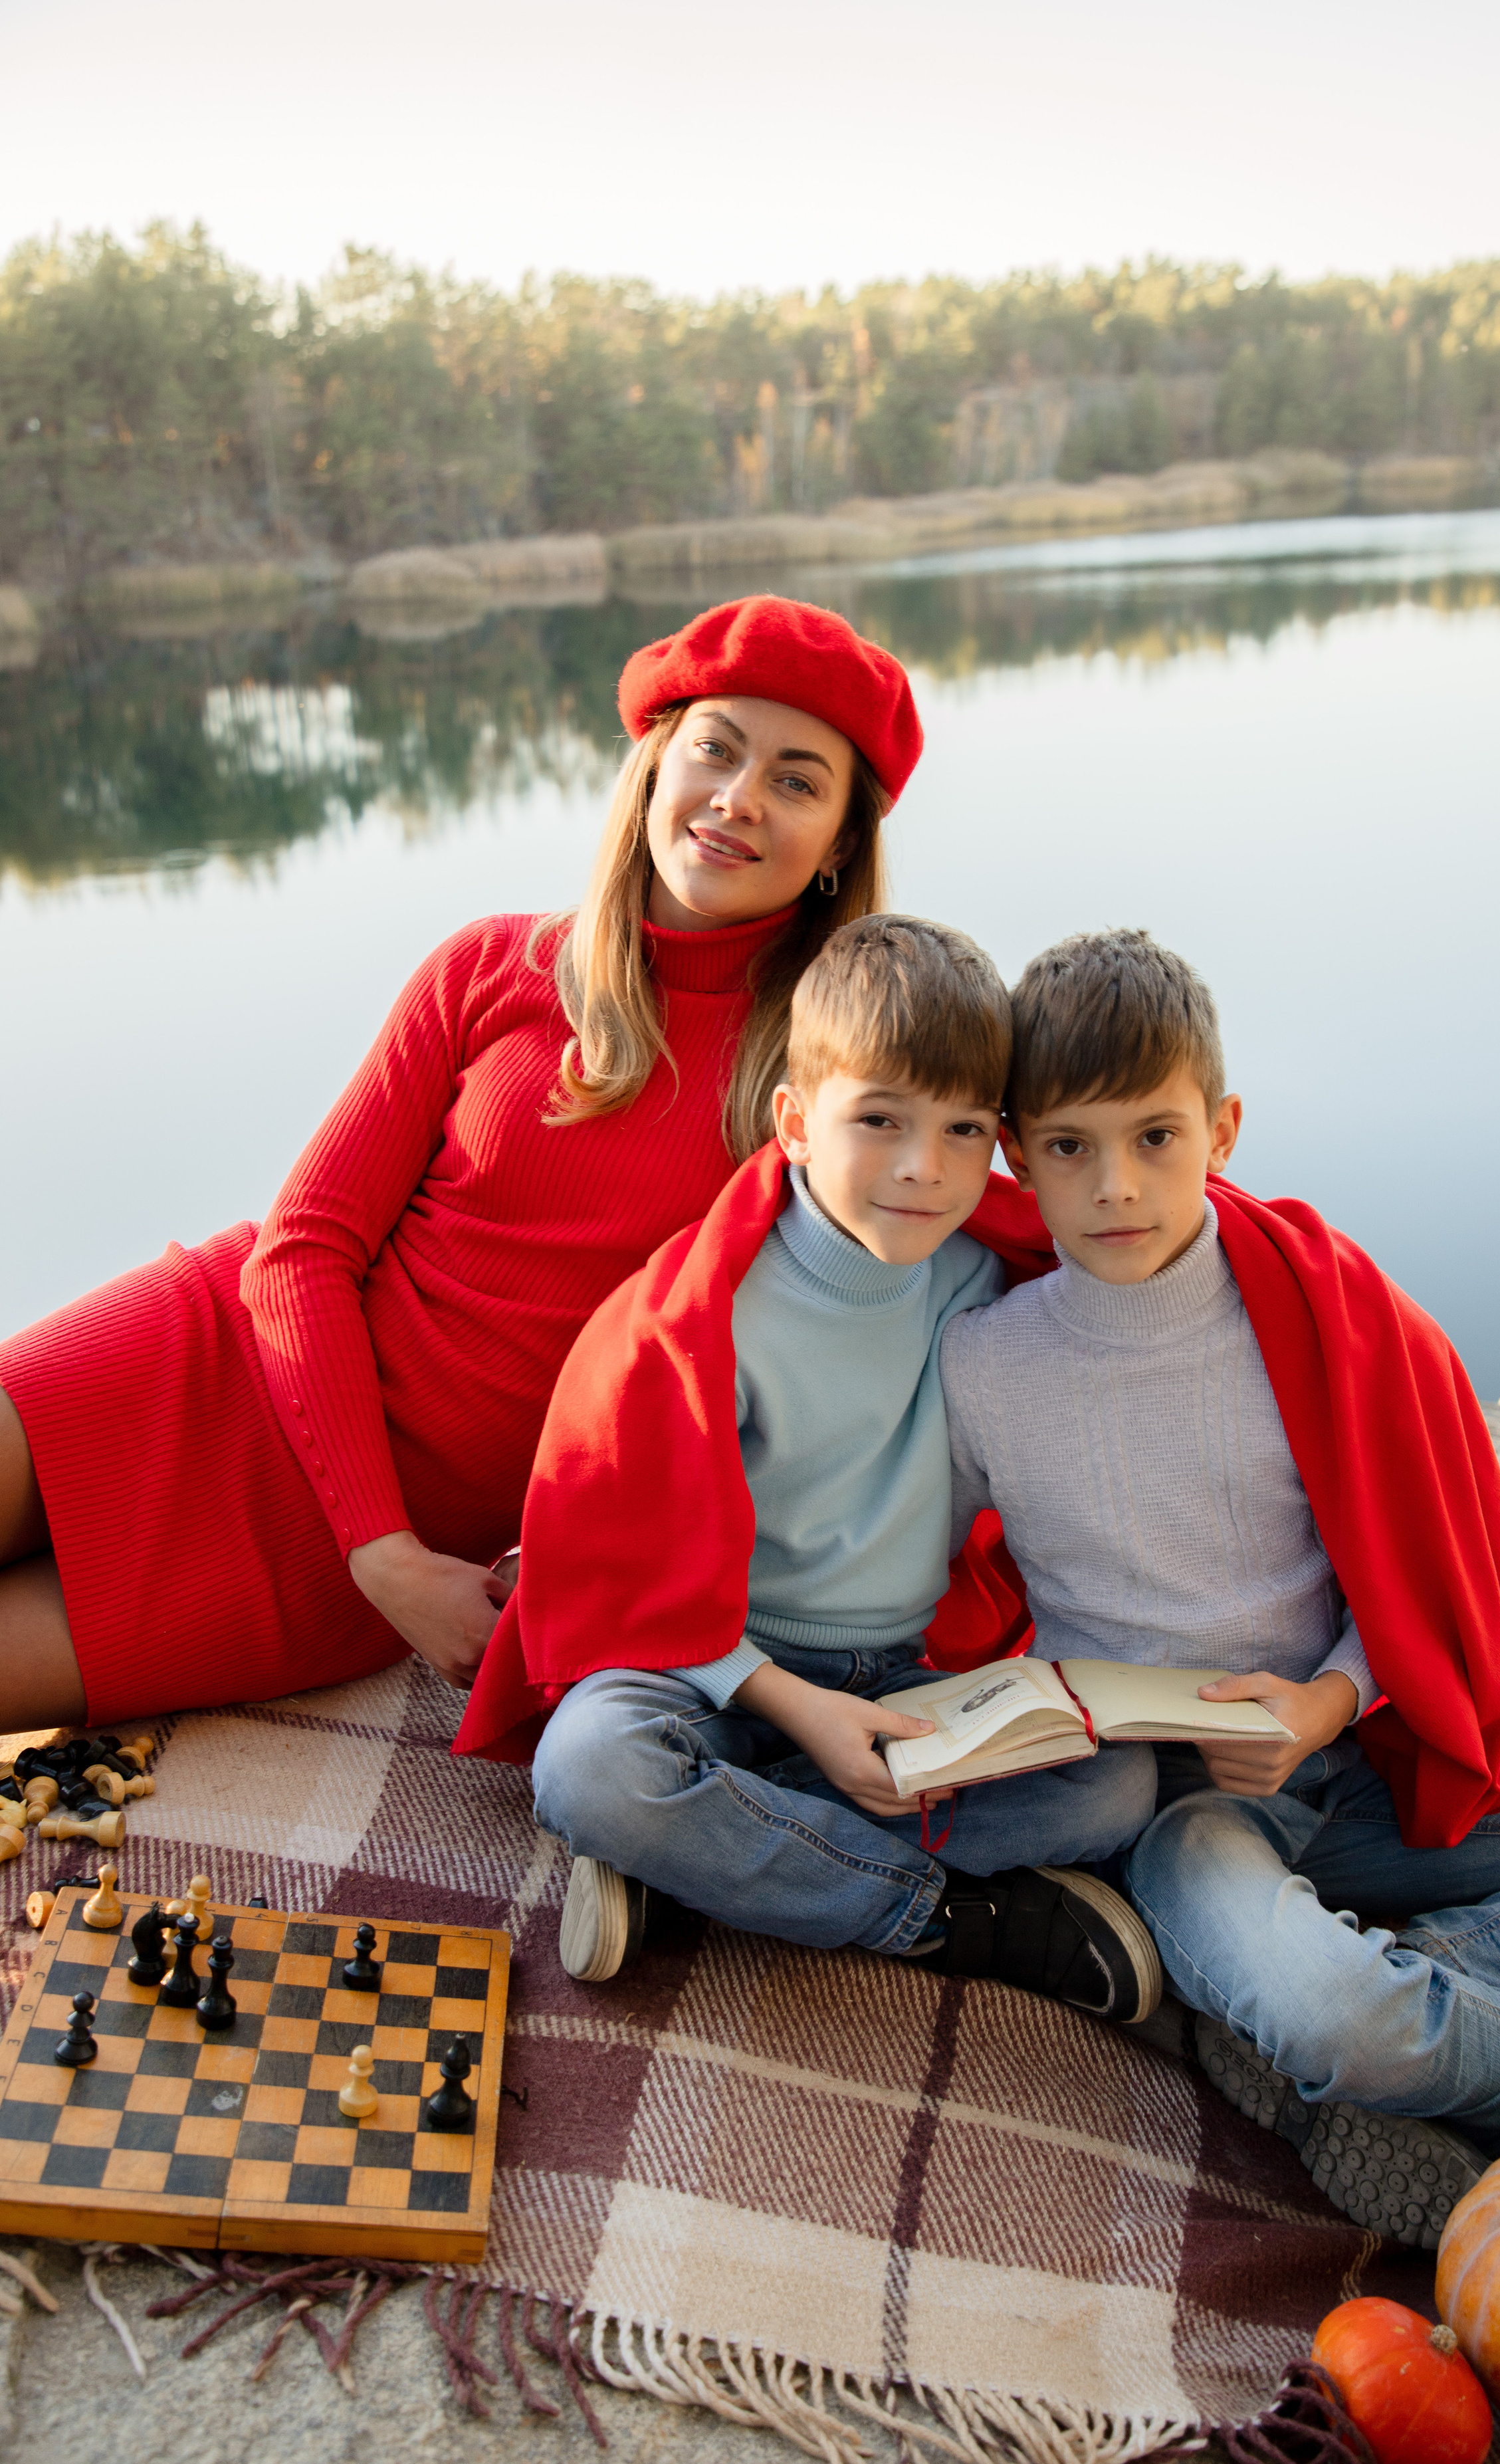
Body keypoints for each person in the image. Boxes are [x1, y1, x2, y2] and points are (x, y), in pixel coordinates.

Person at [0, 596, 922, 1732]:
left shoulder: (833, 1081)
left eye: (796, 780)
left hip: (350, 1570)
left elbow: (1007, 1205)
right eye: (715, 750)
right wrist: (380, 1554)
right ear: (654, 769)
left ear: (839, 845)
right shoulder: (493, 967)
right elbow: (303, 1250)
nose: (737, 800)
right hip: (216, 1364)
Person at [942, 926, 1500, 2247]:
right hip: (1178, 1812)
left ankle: (1359, 2000)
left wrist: (1329, 1700)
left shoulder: (1313, 1310)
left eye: (1153, 1138)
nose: (1114, 1185)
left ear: (1220, 1128)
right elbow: (898, 1565)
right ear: (1015, 1152)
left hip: (1347, 1765)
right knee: (1338, 2019)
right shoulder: (982, 1363)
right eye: (1068, 1146)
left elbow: (1419, 1558)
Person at [455, 915, 1162, 2025]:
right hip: (713, 1671)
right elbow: (616, 1560)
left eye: (965, 1129)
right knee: (591, 1770)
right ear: (793, 1120)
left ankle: (701, 1861)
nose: (925, 1169)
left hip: (894, 1676)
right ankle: (949, 1921)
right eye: (879, 1120)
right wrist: (796, 1710)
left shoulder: (989, 1280)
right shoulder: (704, 1313)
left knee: (1114, 1785)